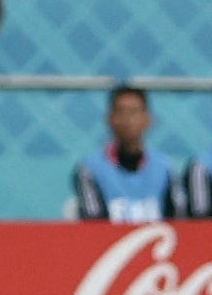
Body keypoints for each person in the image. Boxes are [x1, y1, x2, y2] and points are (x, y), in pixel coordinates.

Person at [73, 84, 182, 220]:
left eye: (134, 112)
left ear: (147, 120)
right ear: (109, 119)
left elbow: (179, 223)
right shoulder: (89, 170)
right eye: (121, 112)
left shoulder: (166, 169)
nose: (127, 120)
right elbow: (94, 226)